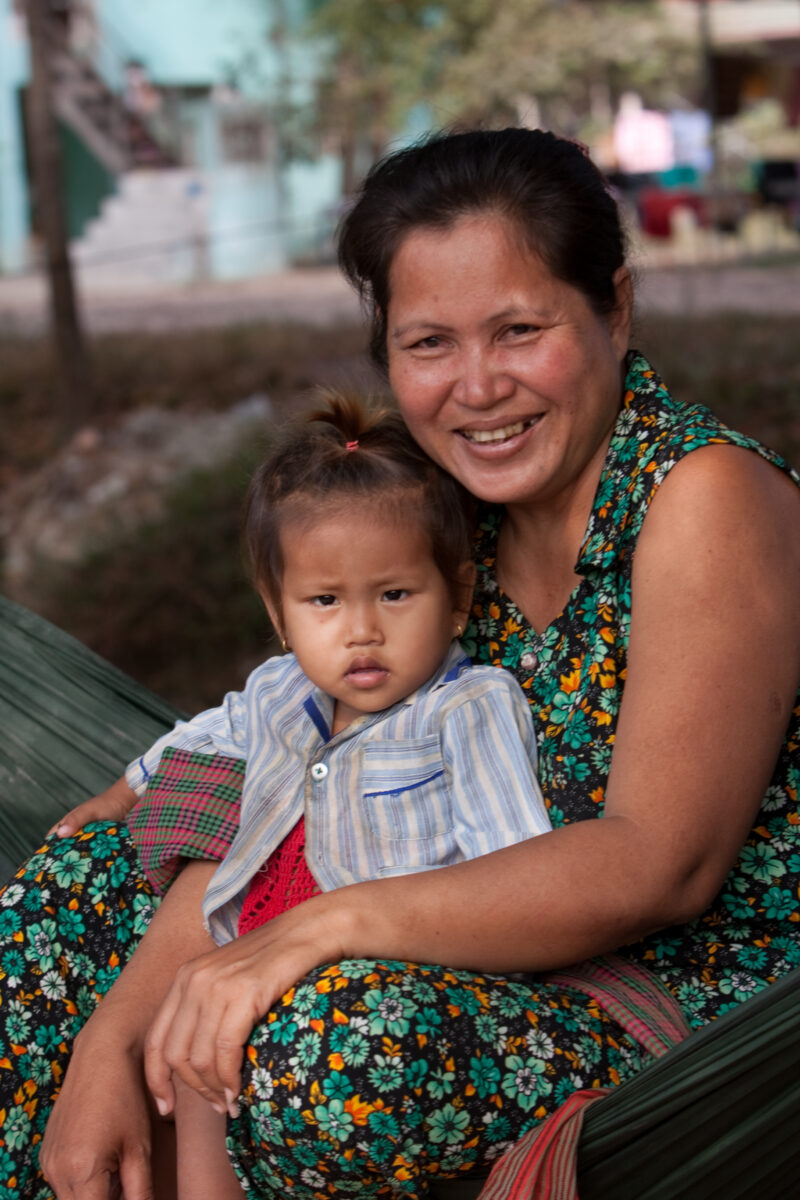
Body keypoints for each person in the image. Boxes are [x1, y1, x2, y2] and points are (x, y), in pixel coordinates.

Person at [1, 126, 798, 1200]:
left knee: (319, 1048)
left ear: (611, 308)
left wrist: (304, 932)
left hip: (680, 1020)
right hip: (450, 955)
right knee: (71, 891)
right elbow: (294, 770)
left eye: (518, 329)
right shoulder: (438, 515)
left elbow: (660, 863)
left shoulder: (700, 498)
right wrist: (112, 1035)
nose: (475, 387)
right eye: (427, 344)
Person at [120, 392, 551, 1199]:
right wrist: (125, 788)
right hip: (248, 952)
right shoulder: (285, 688)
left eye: (394, 596)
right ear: (279, 614)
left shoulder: (468, 706)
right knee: (196, 1067)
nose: (361, 631)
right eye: (325, 602)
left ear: (456, 597)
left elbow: (515, 865)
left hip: (377, 982)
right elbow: (213, 731)